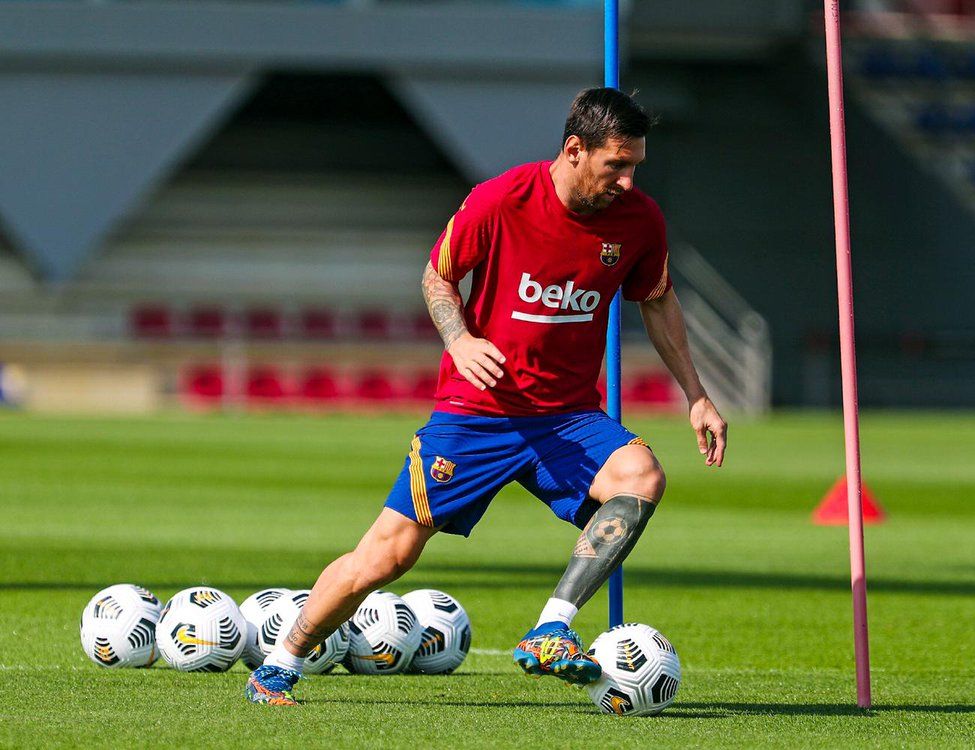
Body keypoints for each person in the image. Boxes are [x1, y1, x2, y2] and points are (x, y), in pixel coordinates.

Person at [246, 87, 727, 706]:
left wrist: (696, 394)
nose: (629, 181)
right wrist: (460, 339)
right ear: (575, 151)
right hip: (476, 416)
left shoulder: (640, 221)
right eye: (617, 165)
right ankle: (281, 663)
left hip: (567, 416)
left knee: (641, 476)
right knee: (384, 558)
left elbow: (657, 298)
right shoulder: (500, 199)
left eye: (636, 165)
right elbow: (437, 276)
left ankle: (552, 626)